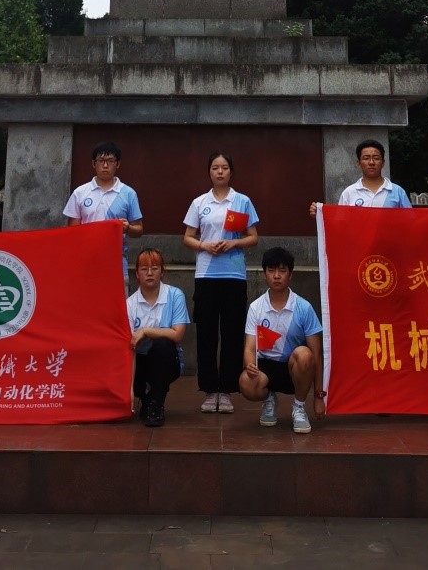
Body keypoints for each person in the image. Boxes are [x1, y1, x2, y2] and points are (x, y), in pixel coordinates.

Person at [183, 150, 259, 413]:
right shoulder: (199, 202)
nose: (220, 172)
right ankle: (209, 390)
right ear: (209, 171)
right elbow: (187, 237)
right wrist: (204, 246)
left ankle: (226, 390)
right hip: (206, 275)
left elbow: (253, 237)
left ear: (231, 171)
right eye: (215, 167)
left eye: (224, 167)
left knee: (232, 333)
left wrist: (234, 243)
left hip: (234, 275)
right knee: (206, 333)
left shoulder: (242, 201)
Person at [239, 246, 324, 434]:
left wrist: (319, 396)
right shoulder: (256, 307)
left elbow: (317, 354)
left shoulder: (304, 307)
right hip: (266, 368)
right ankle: (268, 399)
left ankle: (299, 407)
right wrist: (249, 365)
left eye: (282, 271)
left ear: (290, 274)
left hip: (293, 369)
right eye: (271, 270)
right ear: (264, 274)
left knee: (305, 354)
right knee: (245, 382)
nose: (276, 276)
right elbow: (249, 348)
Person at [126, 247, 190, 428]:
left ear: (162, 272)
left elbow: (177, 334)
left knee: (163, 344)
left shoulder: (175, 295)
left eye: (154, 268)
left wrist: (146, 331)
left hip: (167, 360)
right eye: (144, 269)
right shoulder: (130, 304)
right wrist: (129, 390)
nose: (149, 273)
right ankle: (146, 397)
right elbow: (130, 348)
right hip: (139, 363)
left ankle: (155, 404)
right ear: (137, 274)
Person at [64, 140, 143, 285]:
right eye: (101, 160)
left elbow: (139, 229)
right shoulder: (80, 193)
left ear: (118, 164)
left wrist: (128, 228)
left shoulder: (128, 193)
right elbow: (72, 232)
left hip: (117, 262)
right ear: (93, 164)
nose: (105, 165)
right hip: (86, 261)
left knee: (116, 299)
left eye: (110, 161)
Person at [309, 138, 412, 217]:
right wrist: (320, 214)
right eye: (366, 158)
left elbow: (411, 222)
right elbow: (339, 224)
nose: (371, 162)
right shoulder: (349, 193)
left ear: (383, 163)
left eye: (376, 158)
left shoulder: (398, 192)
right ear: (359, 163)